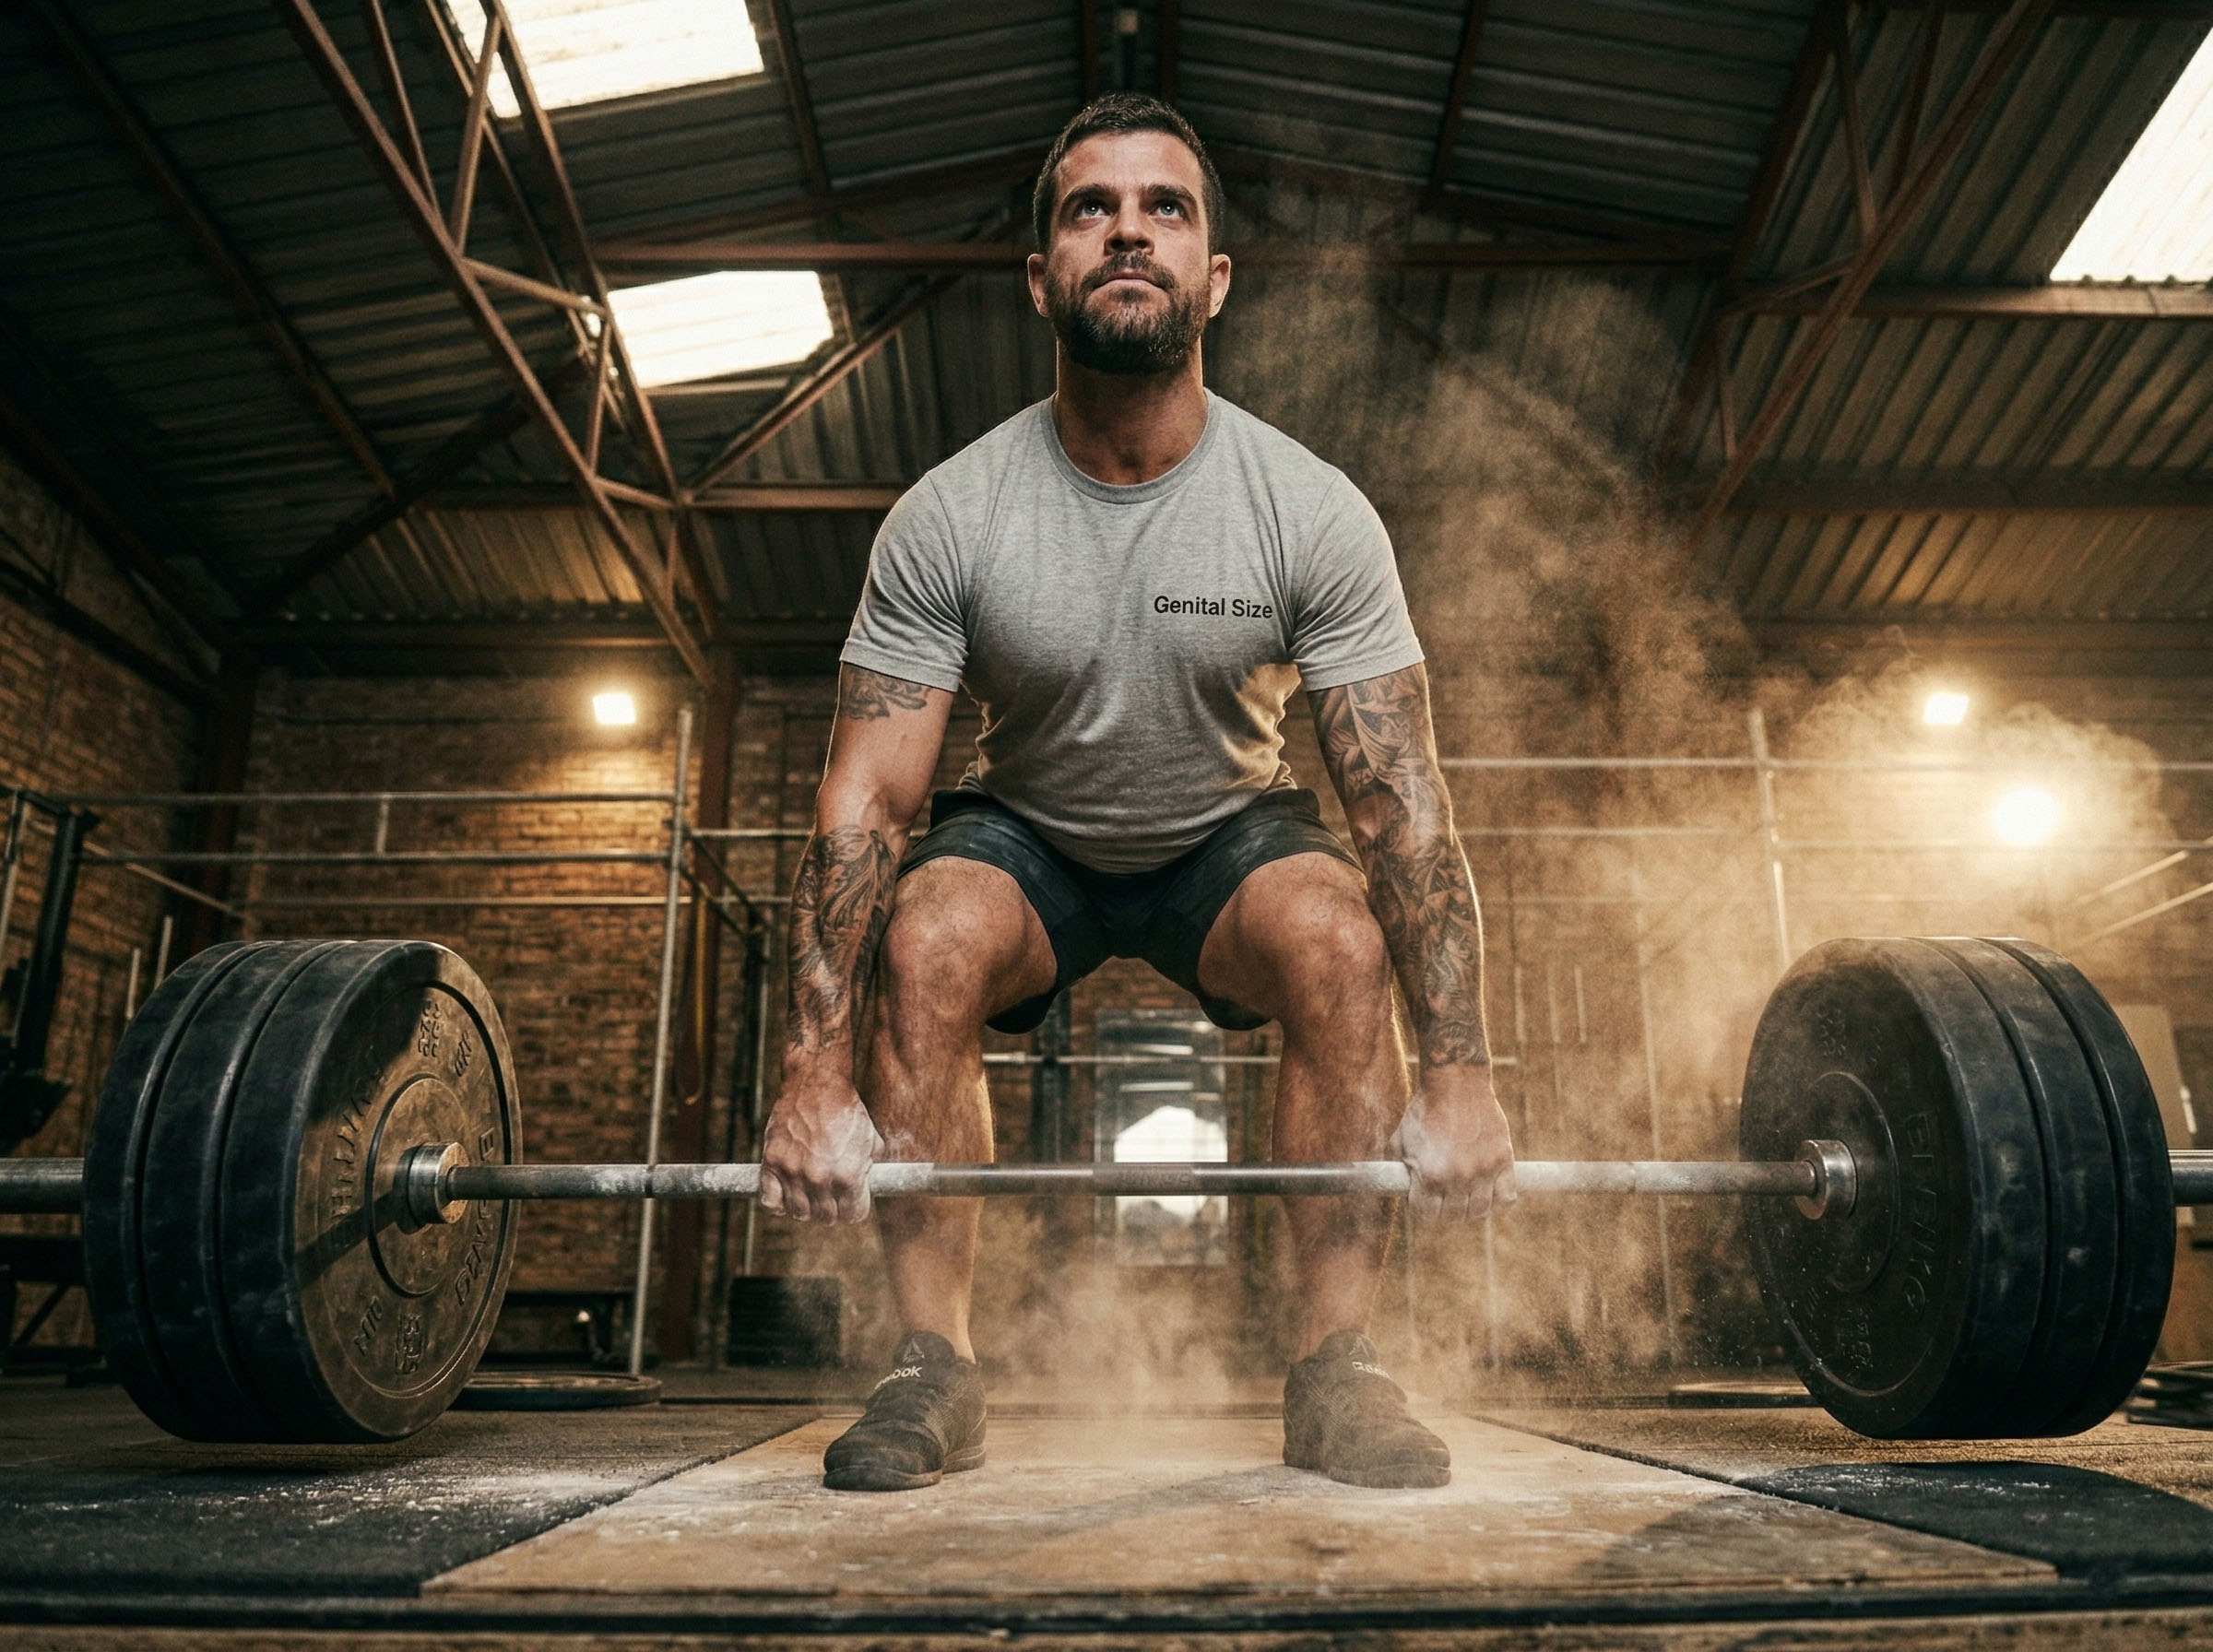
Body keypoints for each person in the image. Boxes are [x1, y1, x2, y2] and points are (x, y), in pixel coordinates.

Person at [756, 92, 1516, 1494]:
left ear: (1211, 278)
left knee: (1342, 939)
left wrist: (1460, 1071)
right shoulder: (952, 514)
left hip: (1229, 828)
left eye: (1165, 209)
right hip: (1029, 828)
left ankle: (1336, 1368)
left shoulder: (1310, 508)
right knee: (925, 938)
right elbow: (864, 809)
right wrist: (810, 1075)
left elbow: (1404, 809)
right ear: (1041, 272)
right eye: (1088, 208)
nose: (1127, 231)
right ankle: (937, 1368)